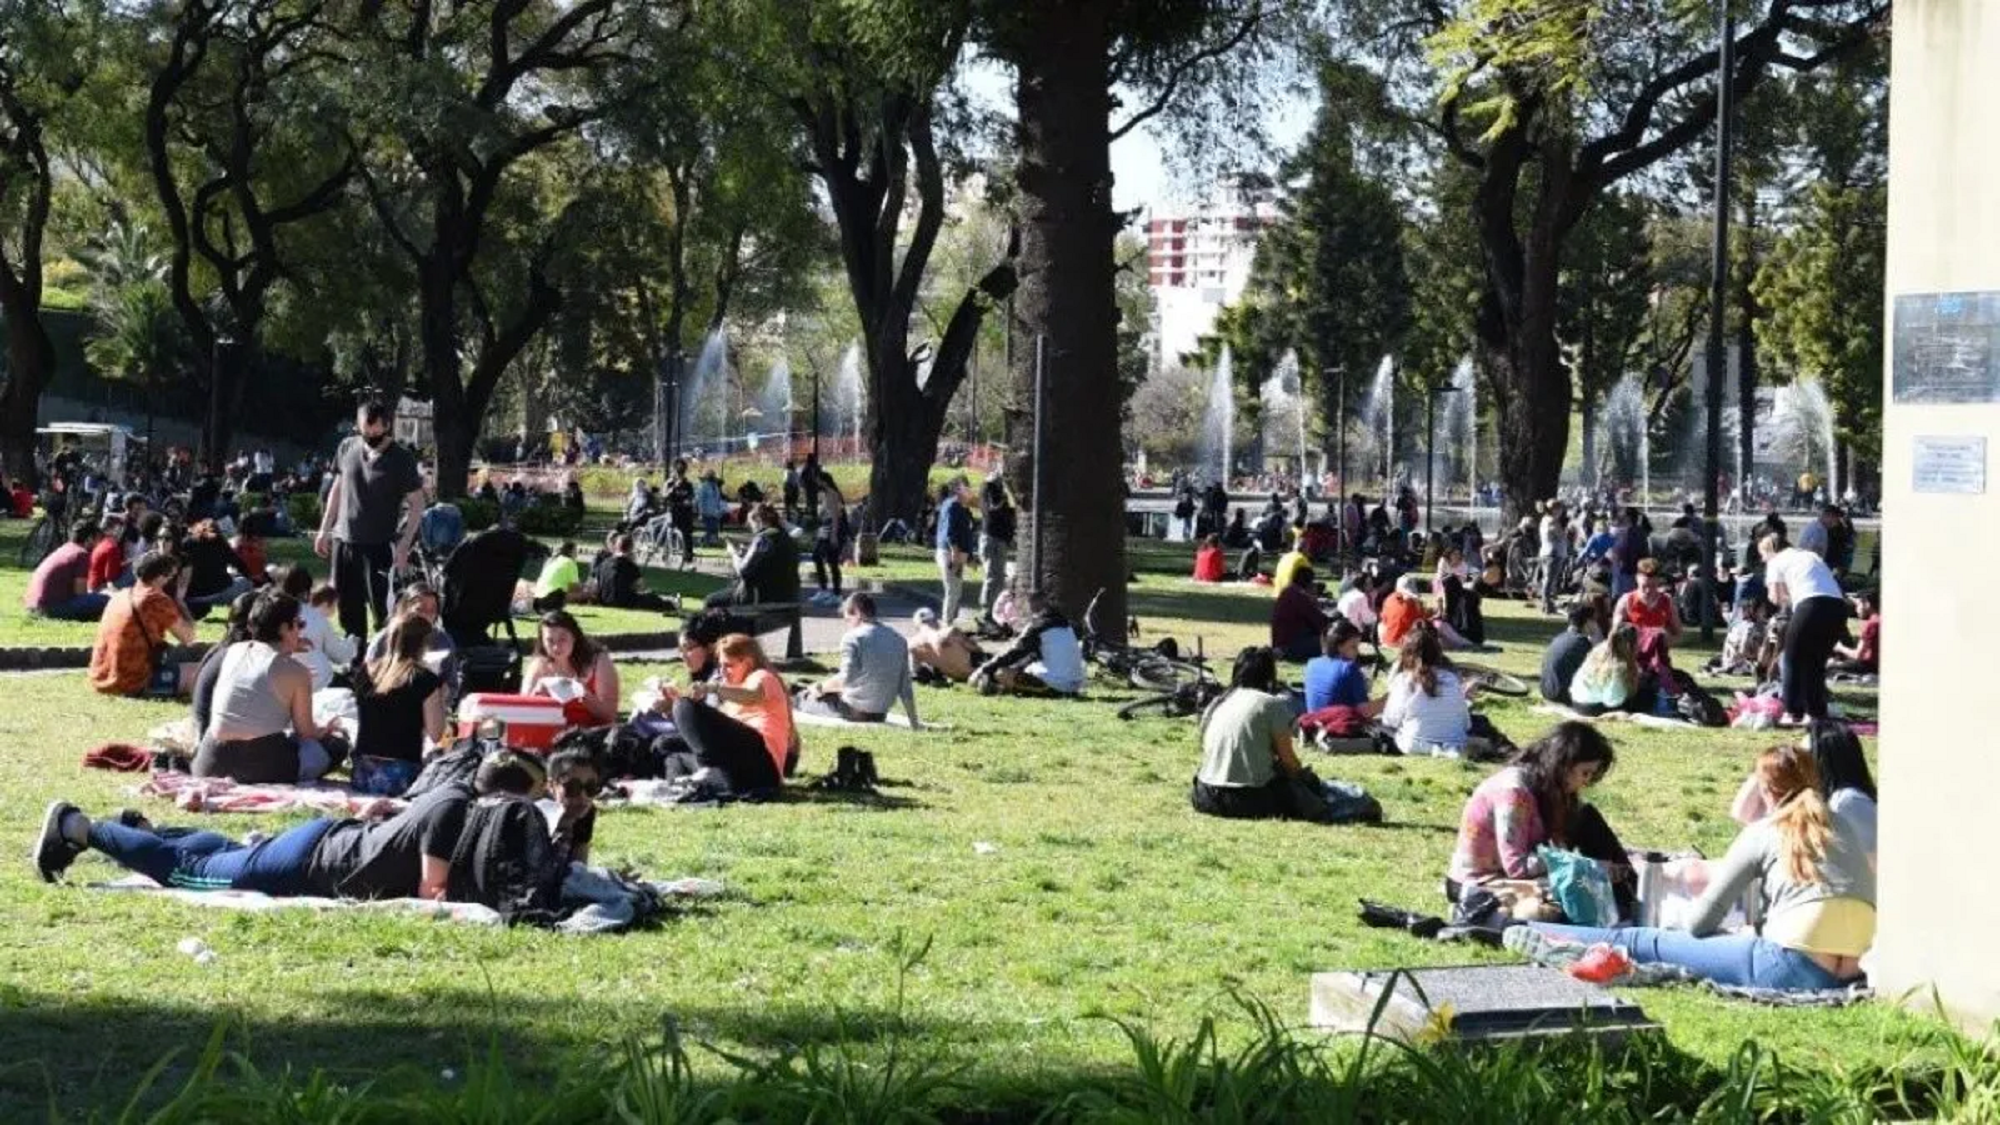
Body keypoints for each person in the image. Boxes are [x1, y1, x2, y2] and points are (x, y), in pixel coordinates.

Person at [1522, 745, 1872, 990]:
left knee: (1642, 941)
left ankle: (1524, 930)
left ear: (1765, 789)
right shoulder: (1840, 825)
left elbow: (1702, 922)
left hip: (1792, 965)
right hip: (1849, 969)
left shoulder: (1765, 831)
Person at [32, 779, 474, 897]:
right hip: (307, 864)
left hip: (323, 841)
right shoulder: (454, 812)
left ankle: (147, 834)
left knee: (226, 853)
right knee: (192, 873)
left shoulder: (453, 800)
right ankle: (77, 828)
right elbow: (428, 891)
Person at [1447, 722, 1628, 906]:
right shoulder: (1515, 793)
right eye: (1585, 773)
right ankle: (1624, 894)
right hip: (1480, 884)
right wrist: (1583, 867)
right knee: (1575, 892)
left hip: (1514, 877)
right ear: (1564, 764)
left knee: (1587, 818)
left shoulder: (1548, 789)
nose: (1585, 782)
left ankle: (1628, 885)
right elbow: (1517, 867)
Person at [195, 592, 346, 784]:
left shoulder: (233, 652)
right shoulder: (295, 672)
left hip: (210, 761)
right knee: (336, 746)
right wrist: (324, 730)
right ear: (284, 628)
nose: (301, 631)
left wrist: (289, 648)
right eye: (299, 624)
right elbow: (306, 733)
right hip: (263, 766)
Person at [316, 397, 425, 640]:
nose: (369, 435)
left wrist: (405, 542)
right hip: (344, 540)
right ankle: (355, 655)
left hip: (378, 545)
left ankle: (386, 656)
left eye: (374, 429)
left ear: (386, 425)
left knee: (382, 610)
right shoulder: (347, 447)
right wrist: (325, 528)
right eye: (364, 429)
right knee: (348, 607)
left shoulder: (401, 459)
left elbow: (417, 503)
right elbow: (337, 487)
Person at [1190, 647, 1316, 820]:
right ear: (1269, 676)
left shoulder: (1219, 701)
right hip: (1247, 799)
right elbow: (1289, 761)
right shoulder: (1270, 704)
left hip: (1204, 794)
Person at [660, 633, 794, 793]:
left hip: (761, 763)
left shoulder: (763, 677)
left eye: (728, 665)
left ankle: (706, 769)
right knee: (667, 748)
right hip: (736, 771)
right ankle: (682, 786)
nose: (722, 672)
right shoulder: (731, 697)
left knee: (685, 706)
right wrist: (673, 710)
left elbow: (751, 696)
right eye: (720, 666)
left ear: (748, 662)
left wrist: (713, 688)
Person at [1730, 720, 1877, 862]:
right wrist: (1768, 767)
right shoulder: (1815, 797)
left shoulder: (1849, 801)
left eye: (1805, 755)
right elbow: (1742, 814)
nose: (1797, 763)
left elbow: (1874, 861)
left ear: (1822, 759)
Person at [1759, 531, 1847, 723]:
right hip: (1838, 606)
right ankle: (1816, 710)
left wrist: (1784, 599)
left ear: (1770, 551)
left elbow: (1775, 597)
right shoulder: (1809, 555)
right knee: (1815, 662)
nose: (1762, 560)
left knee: (1791, 658)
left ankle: (1793, 711)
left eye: (1762, 555)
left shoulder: (1776, 561)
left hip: (1811, 605)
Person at [797, 592, 919, 726]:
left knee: (802, 697)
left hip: (854, 710)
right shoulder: (899, 640)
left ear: (858, 613)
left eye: (848, 620)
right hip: (880, 714)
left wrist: (819, 689)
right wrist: (914, 722)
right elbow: (905, 686)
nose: (848, 625)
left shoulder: (853, 638)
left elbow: (846, 678)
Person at [89, 551, 199, 698]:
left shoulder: (119, 596)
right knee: (200, 672)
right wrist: (180, 601)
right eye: (172, 577)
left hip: (101, 678)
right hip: (132, 683)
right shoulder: (156, 600)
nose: (172, 581)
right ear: (161, 577)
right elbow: (188, 637)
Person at [352, 613, 449, 764]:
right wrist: (441, 699)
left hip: (363, 770)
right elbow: (437, 734)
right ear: (423, 645)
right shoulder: (425, 679)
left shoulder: (365, 671)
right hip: (403, 771)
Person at [1380, 623, 1478, 757]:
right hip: (1456, 742)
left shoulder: (1404, 680)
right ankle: (1443, 750)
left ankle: (1435, 750)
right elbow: (1466, 723)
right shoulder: (1451, 678)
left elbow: (1390, 720)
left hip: (1414, 743)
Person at [970, 593, 1087, 697]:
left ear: (1032, 604)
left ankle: (997, 688)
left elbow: (1014, 652)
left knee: (1001, 673)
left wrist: (985, 668)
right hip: (1074, 685)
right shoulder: (1064, 624)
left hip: (1057, 686)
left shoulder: (1038, 625)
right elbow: (1031, 655)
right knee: (1023, 668)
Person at [523, 610, 621, 728]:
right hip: (553, 734)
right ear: (542, 642)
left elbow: (609, 715)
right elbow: (522, 713)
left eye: (562, 639)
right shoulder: (539, 665)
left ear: (574, 637)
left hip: (592, 734)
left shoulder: (598, 661)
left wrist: (583, 694)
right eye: (550, 640)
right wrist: (536, 695)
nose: (556, 647)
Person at [704, 504, 801, 611]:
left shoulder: (762, 539)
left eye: (751, 524)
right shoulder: (787, 538)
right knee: (730, 589)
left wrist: (733, 553)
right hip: (789, 597)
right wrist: (745, 553)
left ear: (758, 520)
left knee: (710, 600)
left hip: (761, 598)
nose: (751, 528)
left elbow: (742, 571)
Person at [364, 583, 459, 692]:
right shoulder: (383, 639)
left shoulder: (443, 641)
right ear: (405, 609)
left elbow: (452, 684)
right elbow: (368, 681)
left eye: (433, 609)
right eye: (420, 609)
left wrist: (443, 695)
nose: (427, 614)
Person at [275, 565, 354, 692]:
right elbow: (339, 655)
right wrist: (352, 646)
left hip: (281, 684)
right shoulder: (315, 617)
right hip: (318, 682)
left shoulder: (268, 613)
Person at [25, 519, 109, 621]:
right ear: (89, 539)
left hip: (32, 605)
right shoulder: (81, 554)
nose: (98, 544)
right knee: (107, 600)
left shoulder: (66, 548)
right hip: (49, 609)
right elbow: (80, 593)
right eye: (97, 539)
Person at [1302, 619, 1382, 718]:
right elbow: (1365, 712)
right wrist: (1390, 698)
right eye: (1353, 647)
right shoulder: (1348, 668)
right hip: (1339, 729)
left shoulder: (1311, 663)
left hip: (1314, 727)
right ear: (1339, 646)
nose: (1357, 652)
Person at [1568, 624, 1643, 715]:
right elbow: (1612, 701)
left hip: (1576, 701)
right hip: (1591, 707)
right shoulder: (1619, 667)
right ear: (1630, 646)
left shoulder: (1599, 650)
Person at [1613, 558, 1684, 648]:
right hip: (1633, 656)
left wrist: (1661, 642)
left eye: (1653, 586)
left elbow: (1679, 635)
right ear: (1636, 578)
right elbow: (1615, 633)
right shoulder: (1626, 600)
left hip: (1658, 656)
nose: (1648, 591)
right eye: (1644, 586)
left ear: (1659, 580)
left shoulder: (1667, 601)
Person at [593, 533, 674, 611]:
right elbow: (641, 587)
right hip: (624, 602)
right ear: (631, 548)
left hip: (605, 601)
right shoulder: (629, 566)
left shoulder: (603, 564)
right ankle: (672, 603)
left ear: (616, 547)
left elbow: (596, 586)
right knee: (651, 598)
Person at [932, 479, 975, 626]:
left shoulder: (960, 506)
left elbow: (965, 532)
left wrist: (969, 556)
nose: (969, 490)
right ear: (957, 490)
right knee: (952, 590)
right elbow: (950, 532)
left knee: (956, 590)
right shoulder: (952, 506)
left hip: (958, 554)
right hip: (950, 553)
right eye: (965, 488)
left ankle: (949, 621)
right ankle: (946, 624)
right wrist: (955, 552)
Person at [1539, 603, 1598, 706]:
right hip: (1563, 696)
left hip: (1546, 691)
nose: (1597, 624)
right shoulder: (1582, 643)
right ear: (1588, 622)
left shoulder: (1559, 638)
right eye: (1595, 620)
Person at [978, 463, 1016, 626]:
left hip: (1000, 538)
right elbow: (993, 509)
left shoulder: (1000, 491)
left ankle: (995, 612)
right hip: (992, 537)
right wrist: (1005, 493)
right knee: (992, 577)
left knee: (999, 577)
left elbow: (1009, 511)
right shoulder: (988, 487)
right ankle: (986, 612)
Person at [1269, 564, 1330, 662]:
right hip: (1290, 647)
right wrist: (1314, 600)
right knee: (1334, 639)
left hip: (1281, 643)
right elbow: (1321, 623)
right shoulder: (1300, 596)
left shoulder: (1288, 591)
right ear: (1309, 583)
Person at [909, 607, 984, 683]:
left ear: (917, 625)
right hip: (975, 672)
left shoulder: (912, 645)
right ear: (935, 620)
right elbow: (977, 649)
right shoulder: (950, 632)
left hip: (953, 676)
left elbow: (916, 670)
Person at [810, 472, 847, 605]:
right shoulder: (825, 495)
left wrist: (834, 536)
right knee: (816, 556)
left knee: (832, 561)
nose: (817, 484)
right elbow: (824, 515)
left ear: (824, 481)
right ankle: (824, 589)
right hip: (825, 528)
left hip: (833, 530)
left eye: (818, 481)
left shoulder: (832, 493)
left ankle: (837, 594)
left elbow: (836, 517)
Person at [1829, 589, 1879, 676]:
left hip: (1869, 667)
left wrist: (1839, 647)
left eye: (1858, 605)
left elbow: (1858, 655)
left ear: (1867, 604)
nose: (1856, 609)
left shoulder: (1872, 624)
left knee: (1828, 666)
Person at [1538, 500, 1572, 614]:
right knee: (1549, 580)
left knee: (1548, 580)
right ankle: (1547, 605)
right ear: (1555, 509)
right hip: (1553, 553)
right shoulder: (1552, 521)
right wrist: (1567, 532)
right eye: (1560, 509)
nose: (1562, 511)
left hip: (1546, 552)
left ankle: (1547, 604)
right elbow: (1561, 536)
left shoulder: (1545, 519)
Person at [532, 541, 588, 609]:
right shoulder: (569, 562)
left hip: (536, 601)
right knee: (586, 594)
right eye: (576, 550)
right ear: (570, 552)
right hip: (550, 600)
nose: (577, 554)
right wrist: (584, 587)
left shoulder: (551, 560)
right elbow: (574, 588)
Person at [664, 459, 697, 567]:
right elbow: (665, 496)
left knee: (687, 535)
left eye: (682, 469)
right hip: (673, 511)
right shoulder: (669, 482)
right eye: (678, 469)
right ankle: (667, 554)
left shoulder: (688, 484)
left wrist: (689, 501)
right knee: (671, 533)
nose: (680, 472)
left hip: (686, 512)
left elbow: (692, 496)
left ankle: (689, 558)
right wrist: (674, 487)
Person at [86, 516, 126, 593]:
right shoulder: (112, 547)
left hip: (91, 586)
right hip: (99, 589)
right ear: (109, 529)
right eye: (119, 527)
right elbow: (109, 578)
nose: (121, 531)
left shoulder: (102, 543)